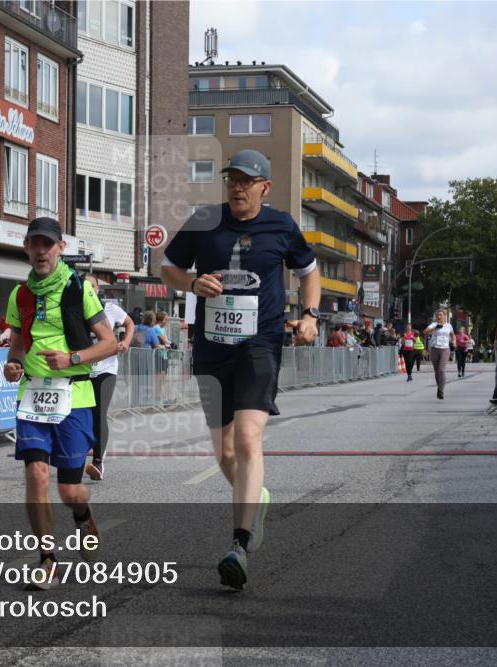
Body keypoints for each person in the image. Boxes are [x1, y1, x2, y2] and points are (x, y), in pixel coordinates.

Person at [160, 148, 321, 590]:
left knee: (249, 440)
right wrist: (191, 282)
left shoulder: (282, 226)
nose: (237, 186)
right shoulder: (203, 221)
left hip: (260, 346)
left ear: (264, 188)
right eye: (232, 178)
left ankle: (239, 544)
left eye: (247, 180)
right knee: (224, 453)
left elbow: (309, 270)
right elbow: (168, 266)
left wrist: (310, 315)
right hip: (211, 350)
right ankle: (258, 497)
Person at [2, 218, 116, 588]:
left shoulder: (79, 288)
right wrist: (13, 364)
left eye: (47, 244)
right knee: (35, 474)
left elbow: (109, 343)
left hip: (75, 396)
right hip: (33, 396)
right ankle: (47, 560)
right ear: (26, 247)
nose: (40, 250)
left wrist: (74, 359)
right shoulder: (20, 294)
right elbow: (17, 344)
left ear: (60, 248)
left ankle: (84, 515)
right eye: (34, 243)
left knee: (69, 491)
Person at [83, 274, 135, 481]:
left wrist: (126, 342)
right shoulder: (76, 311)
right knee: (82, 415)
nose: (88, 289)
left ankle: (98, 462)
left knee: (98, 412)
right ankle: (81, 452)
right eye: (84, 286)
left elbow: (130, 324)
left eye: (92, 286)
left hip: (106, 368)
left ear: (97, 289)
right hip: (82, 369)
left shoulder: (110, 309)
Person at [423, 309, 456, 400]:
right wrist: (435, 327)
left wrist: (454, 341)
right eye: (437, 315)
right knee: (437, 371)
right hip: (434, 349)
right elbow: (425, 332)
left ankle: (441, 391)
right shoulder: (433, 324)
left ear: (445, 316)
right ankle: (439, 387)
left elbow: (453, 335)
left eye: (440, 315)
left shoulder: (448, 325)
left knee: (441, 370)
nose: (438, 316)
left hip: (445, 349)